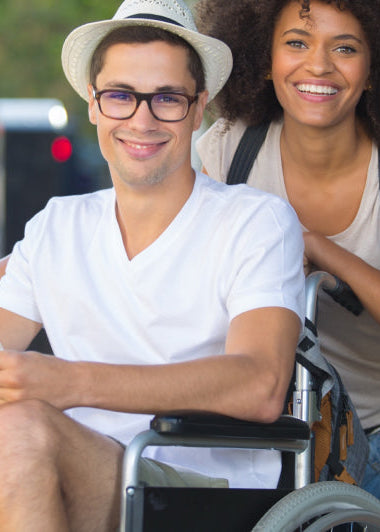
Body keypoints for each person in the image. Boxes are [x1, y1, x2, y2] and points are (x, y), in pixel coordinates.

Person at [0, 0, 305, 530]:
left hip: (201, 484)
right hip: (58, 466)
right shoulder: (56, 226)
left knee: (21, 430)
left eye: (166, 98)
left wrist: (71, 383)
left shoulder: (255, 220)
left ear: (199, 106)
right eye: (121, 96)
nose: (141, 120)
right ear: (93, 104)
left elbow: (260, 385)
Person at [196, 0, 380, 497]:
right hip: (265, 427)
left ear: (371, 70)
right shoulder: (229, 149)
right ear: (264, 59)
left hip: (373, 429)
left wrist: (314, 246)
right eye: (296, 42)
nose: (318, 65)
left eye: (345, 48)